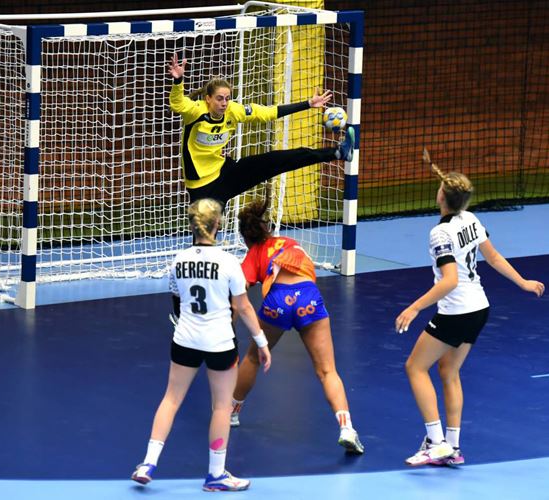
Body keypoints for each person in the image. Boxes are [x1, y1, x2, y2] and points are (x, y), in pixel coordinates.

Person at [395, 153, 545, 467]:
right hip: (479, 308)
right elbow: (494, 257)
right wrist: (522, 282)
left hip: (457, 311)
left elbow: (449, 280)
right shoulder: (471, 220)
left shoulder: (440, 233)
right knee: (449, 371)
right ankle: (452, 447)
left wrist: (414, 307)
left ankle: (436, 442)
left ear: (441, 196)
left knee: (415, 367)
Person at [131, 198, 272, 492]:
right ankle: (216, 475)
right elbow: (243, 307)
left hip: (185, 339)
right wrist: (261, 342)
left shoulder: (178, 260)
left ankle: (147, 463)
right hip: (219, 343)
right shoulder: (228, 262)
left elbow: (177, 299)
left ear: (192, 225)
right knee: (222, 407)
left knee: (171, 399)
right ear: (218, 224)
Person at [229, 197, 364, 455]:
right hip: (308, 299)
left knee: (253, 358)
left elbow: (239, 294)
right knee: (327, 371)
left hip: (277, 303)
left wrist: (229, 326)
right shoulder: (289, 242)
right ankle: (346, 428)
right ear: (267, 228)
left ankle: (232, 413)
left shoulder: (253, 254)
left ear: (246, 238)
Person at [168, 54, 355, 206]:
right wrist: (178, 81)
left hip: (225, 173)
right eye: (219, 98)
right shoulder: (195, 112)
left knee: (281, 159)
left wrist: (307, 104)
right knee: (204, 236)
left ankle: (338, 152)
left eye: (227, 98)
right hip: (201, 186)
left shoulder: (234, 110)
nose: (224, 103)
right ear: (208, 98)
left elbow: (268, 113)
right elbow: (178, 103)